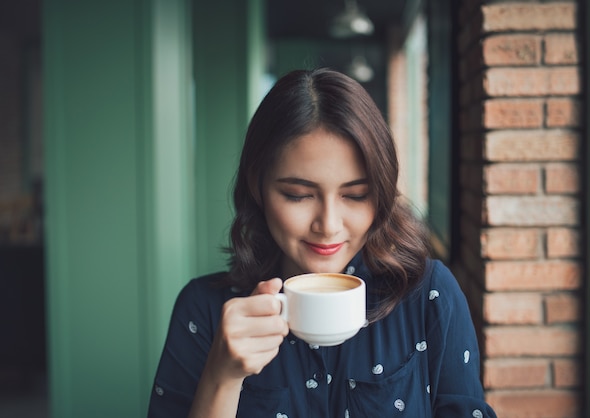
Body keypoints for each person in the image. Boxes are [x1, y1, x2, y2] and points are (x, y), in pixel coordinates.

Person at [148, 68, 497, 418]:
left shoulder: (429, 296)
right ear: (257, 184)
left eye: (356, 195)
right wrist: (221, 379)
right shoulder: (204, 311)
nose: (328, 226)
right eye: (298, 195)